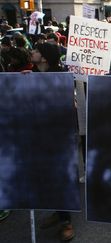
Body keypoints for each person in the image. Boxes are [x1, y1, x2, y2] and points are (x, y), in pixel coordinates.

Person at [30, 42, 75, 241]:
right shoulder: (31, 74)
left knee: (60, 178)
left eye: (37, 50)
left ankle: (67, 222)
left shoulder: (60, 77)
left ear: (45, 57)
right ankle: (58, 212)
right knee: (47, 178)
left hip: (58, 137)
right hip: (38, 135)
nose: (32, 52)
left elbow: (69, 107)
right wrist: (22, 81)